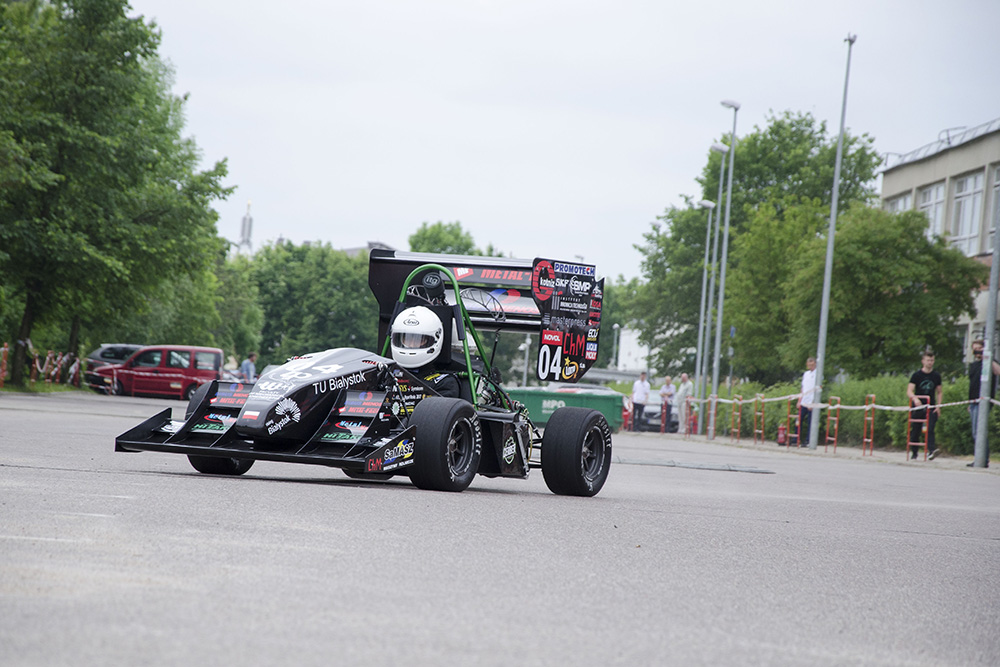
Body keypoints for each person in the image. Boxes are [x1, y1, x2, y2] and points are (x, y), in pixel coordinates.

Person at [390, 305, 460, 398]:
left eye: (418, 340)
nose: (411, 345)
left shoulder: (444, 383)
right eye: (406, 339)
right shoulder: (386, 377)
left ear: (434, 340)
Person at [907, 348, 943, 460]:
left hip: (930, 406)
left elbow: (939, 392)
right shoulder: (916, 375)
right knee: (916, 429)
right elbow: (909, 391)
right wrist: (915, 398)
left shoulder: (936, 376)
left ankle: (931, 450)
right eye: (928, 360)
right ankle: (914, 452)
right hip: (918, 406)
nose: (930, 362)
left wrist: (938, 405)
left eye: (932, 360)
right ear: (923, 361)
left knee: (930, 428)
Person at [967, 339, 998, 467]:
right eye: (975, 349)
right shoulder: (973, 365)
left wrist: (988, 356)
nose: (977, 351)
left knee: (980, 431)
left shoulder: (990, 362)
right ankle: (979, 458)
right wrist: (969, 403)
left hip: (983, 402)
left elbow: (998, 371)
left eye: (979, 348)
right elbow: (972, 384)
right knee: (975, 432)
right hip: (974, 401)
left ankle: (983, 459)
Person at [797, 357, 818, 446]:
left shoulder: (818, 374)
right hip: (804, 401)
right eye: (809, 365)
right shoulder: (806, 374)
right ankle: (796, 438)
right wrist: (799, 400)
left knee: (810, 422)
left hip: (811, 402)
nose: (811, 366)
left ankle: (808, 440)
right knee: (798, 420)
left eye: (812, 364)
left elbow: (817, 389)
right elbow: (803, 388)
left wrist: (812, 402)